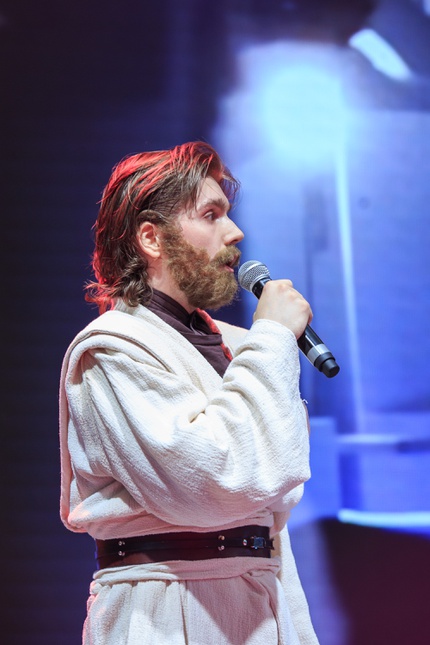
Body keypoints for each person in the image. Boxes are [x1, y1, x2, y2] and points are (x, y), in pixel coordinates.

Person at [59, 141, 319, 644]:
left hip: (261, 597)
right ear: (152, 238)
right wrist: (271, 337)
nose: (235, 232)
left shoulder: (239, 345)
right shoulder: (113, 348)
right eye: (211, 214)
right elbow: (211, 482)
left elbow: (280, 482)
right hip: (166, 609)